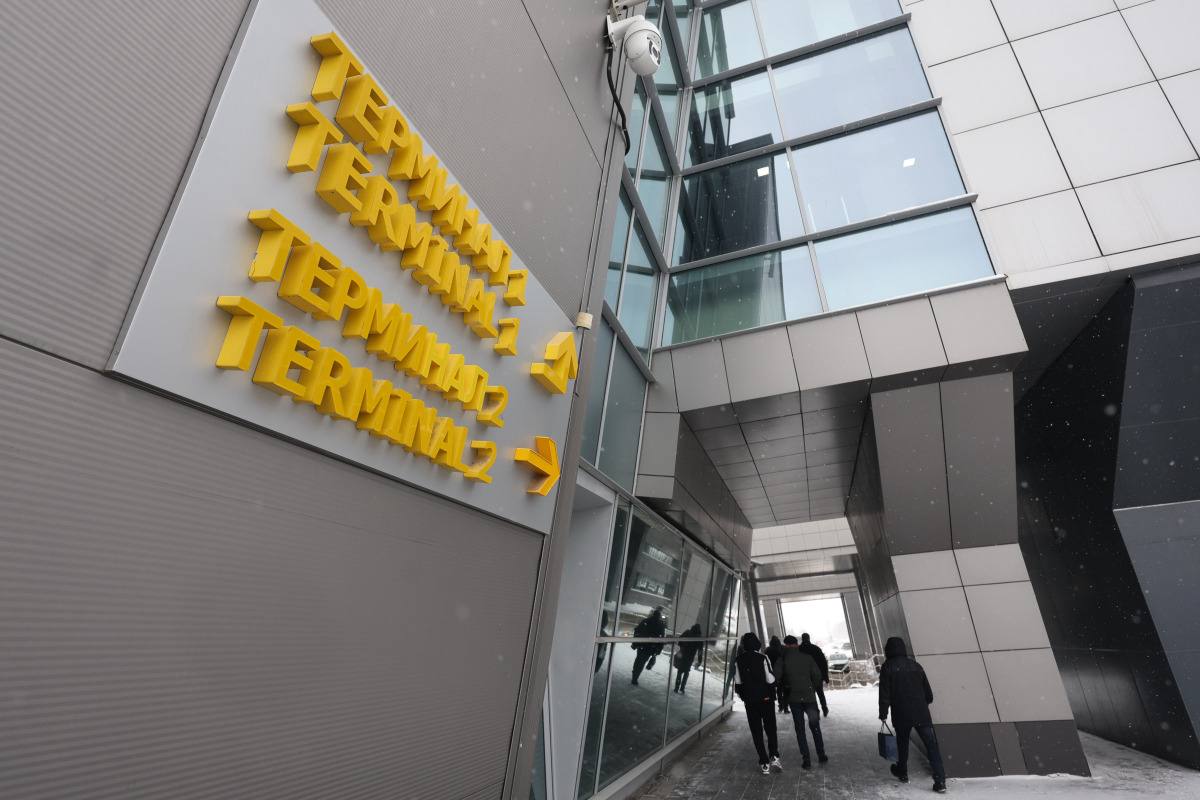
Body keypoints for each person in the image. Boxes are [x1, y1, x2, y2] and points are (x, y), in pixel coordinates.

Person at [879, 636, 946, 794]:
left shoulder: (887, 667)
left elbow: (884, 694)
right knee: (932, 746)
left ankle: (902, 772)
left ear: (888, 650)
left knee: (902, 744)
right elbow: (929, 695)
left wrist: (883, 713)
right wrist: (921, 703)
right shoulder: (916, 666)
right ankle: (940, 780)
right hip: (921, 713)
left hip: (901, 713)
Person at [734, 632, 783, 775]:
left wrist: (745, 695)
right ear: (757, 643)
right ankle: (774, 756)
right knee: (770, 728)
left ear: (744, 644)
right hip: (765, 699)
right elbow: (769, 679)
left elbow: (738, 682)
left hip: (750, 701)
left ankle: (764, 762)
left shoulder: (738, 660)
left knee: (756, 731)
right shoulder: (763, 657)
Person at [778, 635, 828, 769]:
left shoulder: (783, 659)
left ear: (786, 645)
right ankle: (821, 754)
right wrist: (811, 687)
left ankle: (806, 759)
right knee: (815, 726)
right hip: (809, 698)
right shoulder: (807, 657)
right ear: (797, 644)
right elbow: (817, 675)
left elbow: (776, 676)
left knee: (800, 729)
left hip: (794, 699)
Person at [630, 607, 666, 685]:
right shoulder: (660, 625)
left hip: (642, 644)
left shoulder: (646, 621)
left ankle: (634, 673)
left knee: (638, 659)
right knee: (643, 661)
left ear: (653, 614)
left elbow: (637, 630)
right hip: (651, 647)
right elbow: (661, 638)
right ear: (659, 616)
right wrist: (659, 649)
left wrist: (635, 643)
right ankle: (635, 676)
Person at [798, 633, 831, 717]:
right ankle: (824, 708)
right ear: (809, 638)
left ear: (802, 639)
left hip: (805, 677)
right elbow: (823, 663)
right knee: (820, 693)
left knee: (811, 695)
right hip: (817, 675)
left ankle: (816, 711)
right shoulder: (816, 648)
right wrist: (825, 676)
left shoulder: (799, 649)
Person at [673, 624, 703, 693]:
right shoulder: (699, 638)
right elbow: (700, 651)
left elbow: (680, 640)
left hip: (683, 653)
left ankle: (676, 687)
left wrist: (682, 646)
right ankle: (682, 688)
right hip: (690, 657)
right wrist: (700, 660)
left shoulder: (687, 632)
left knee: (680, 671)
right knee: (686, 672)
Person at [765, 636, 788, 713]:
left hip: (773, 673)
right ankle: (786, 707)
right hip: (783, 672)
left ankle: (780, 705)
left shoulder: (768, 650)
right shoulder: (783, 648)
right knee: (785, 689)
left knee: (778, 690)